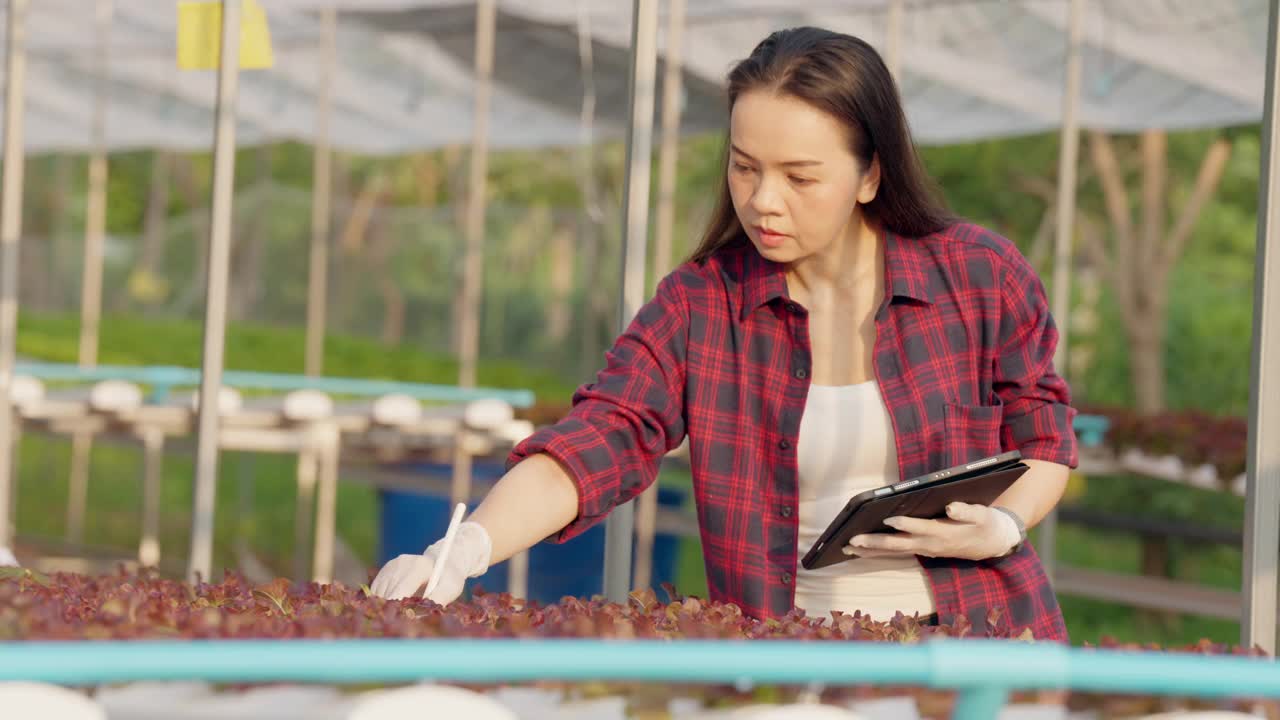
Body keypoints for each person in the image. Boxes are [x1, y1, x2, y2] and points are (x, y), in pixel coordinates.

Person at [371, 26, 1078, 642]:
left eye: (800, 177)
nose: (763, 200)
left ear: (870, 175)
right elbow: (602, 436)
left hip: (981, 643)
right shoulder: (702, 305)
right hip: (788, 654)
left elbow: (1045, 438)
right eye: (745, 167)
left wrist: (1006, 525)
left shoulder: (978, 275)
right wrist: (467, 547)